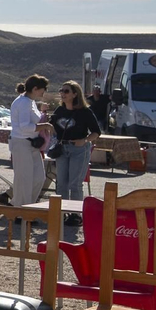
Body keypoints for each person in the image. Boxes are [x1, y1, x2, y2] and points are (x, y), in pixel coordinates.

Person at [50, 81, 100, 223]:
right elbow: (52, 127)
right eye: (62, 90)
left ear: (75, 94)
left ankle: (75, 215)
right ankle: (61, 212)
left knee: (75, 183)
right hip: (62, 148)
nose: (63, 93)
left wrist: (84, 140)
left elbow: (96, 132)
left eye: (66, 91)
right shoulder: (59, 110)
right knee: (61, 183)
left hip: (79, 149)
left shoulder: (85, 112)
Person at [9, 75, 53, 207]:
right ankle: (20, 210)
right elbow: (24, 126)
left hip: (32, 143)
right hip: (21, 143)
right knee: (24, 180)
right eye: (42, 90)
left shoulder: (30, 101)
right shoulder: (22, 103)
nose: (43, 93)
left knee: (39, 178)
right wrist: (44, 126)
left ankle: (27, 207)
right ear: (35, 89)